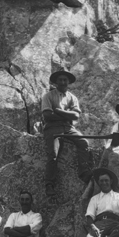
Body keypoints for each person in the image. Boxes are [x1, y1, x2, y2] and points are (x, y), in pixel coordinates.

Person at [41, 69, 92, 197]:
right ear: (56, 82)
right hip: (52, 127)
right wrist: (66, 115)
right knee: (53, 153)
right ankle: (49, 184)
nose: (63, 82)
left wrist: (58, 111)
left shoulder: (72, 97)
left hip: (68, 128)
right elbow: (47, 115)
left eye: (65, 80)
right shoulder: (48, 96)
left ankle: (84, 172)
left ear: (68, 82)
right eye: (60, 80)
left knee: (84, 142)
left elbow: (75, 116)